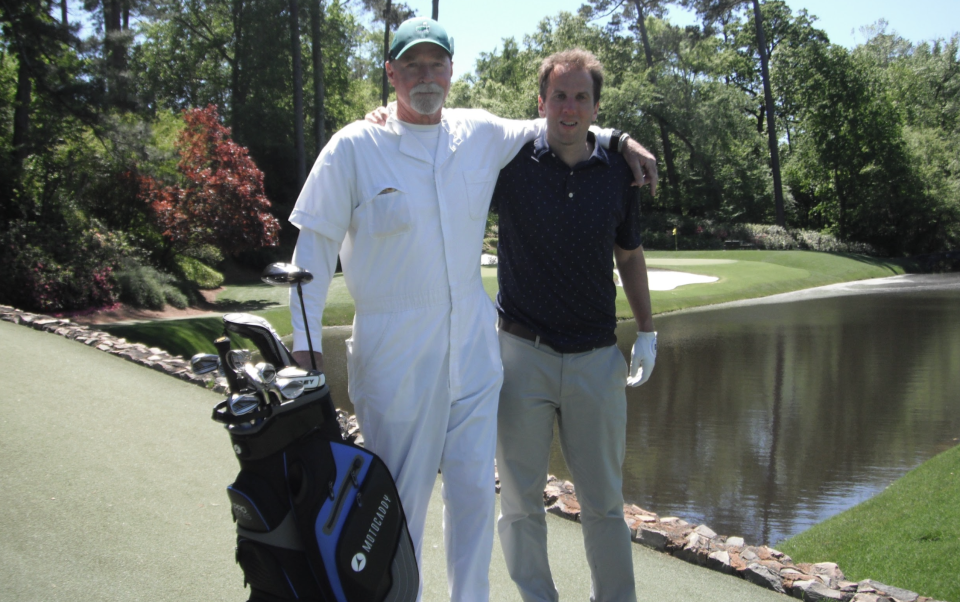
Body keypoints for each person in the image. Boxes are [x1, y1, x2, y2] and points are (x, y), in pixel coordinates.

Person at [288, 17, 656, 601]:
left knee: (473, 507)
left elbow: (561, 121)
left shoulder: (478, 133)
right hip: (396, 362)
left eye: (436, 65)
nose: (426, 76)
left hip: (475, 363)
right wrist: (304, 362)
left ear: (452, 73)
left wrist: (617, 140)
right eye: (412, 66)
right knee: (397, 507)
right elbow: (309, 258)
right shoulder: (355, 147)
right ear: (392, 74)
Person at [491, 49, 657, 602]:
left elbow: (630, 256)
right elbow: (444, 140)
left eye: (580, 96)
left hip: (595, 358)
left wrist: (648, 330)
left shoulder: (617, 170)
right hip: (521, 355)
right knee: (519, 502)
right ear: (540, 102)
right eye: (559, 95)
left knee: (605, 503)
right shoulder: (510, 162)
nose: (569, 107)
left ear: (595, 106)